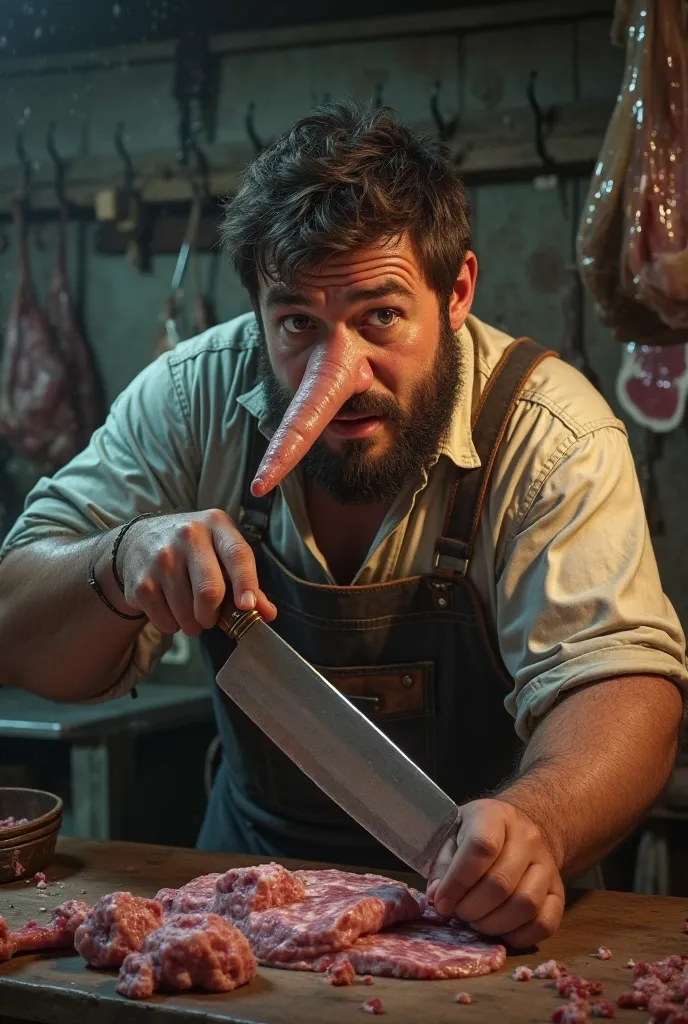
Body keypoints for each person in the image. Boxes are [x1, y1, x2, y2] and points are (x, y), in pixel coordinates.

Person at [0, 102, 684, 950]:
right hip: (247, 905)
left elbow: (621, 684)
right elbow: (14, 622)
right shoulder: (190, 398)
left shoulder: (553, 435)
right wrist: (119, 558)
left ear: (458, 290)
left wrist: (536, 823)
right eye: (298, 325)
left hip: (480, 916)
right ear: (258, 309)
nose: (340, 375)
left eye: (380, 318)